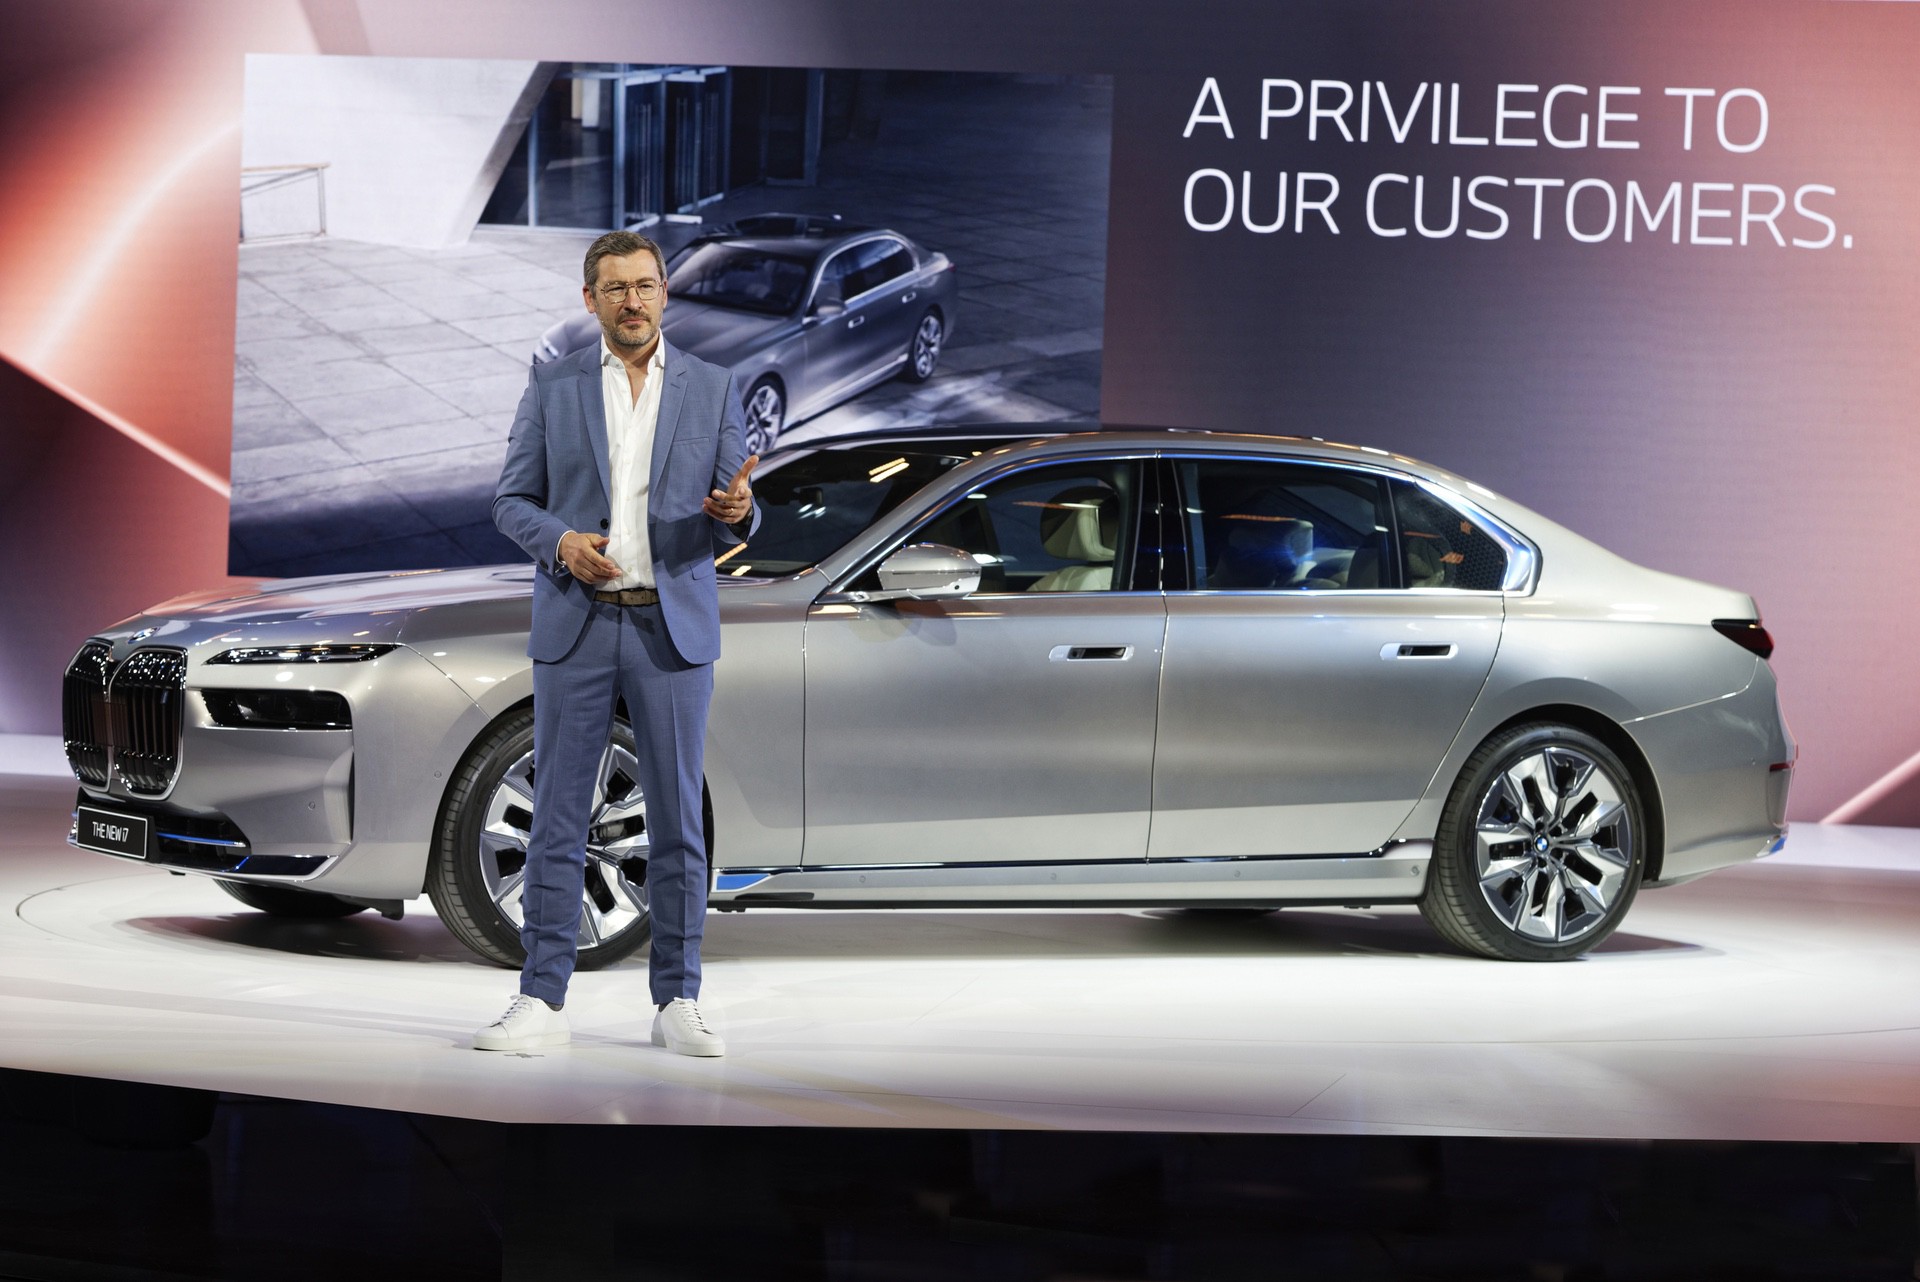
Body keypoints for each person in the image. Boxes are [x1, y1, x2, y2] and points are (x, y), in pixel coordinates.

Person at [476, 230, 757, 1056]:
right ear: (590, 299)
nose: (632, 301)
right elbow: (510, 501)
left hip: (673, 630)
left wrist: (741, 514)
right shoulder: (553, 385)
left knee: (677, 822)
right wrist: (561, 542)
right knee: (558, 819)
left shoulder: (712, 386)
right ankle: (541, 999)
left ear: (664, 291)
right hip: (581, 623)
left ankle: (678, 999)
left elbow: (737, 509)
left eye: (644, 285)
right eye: (615, 288)